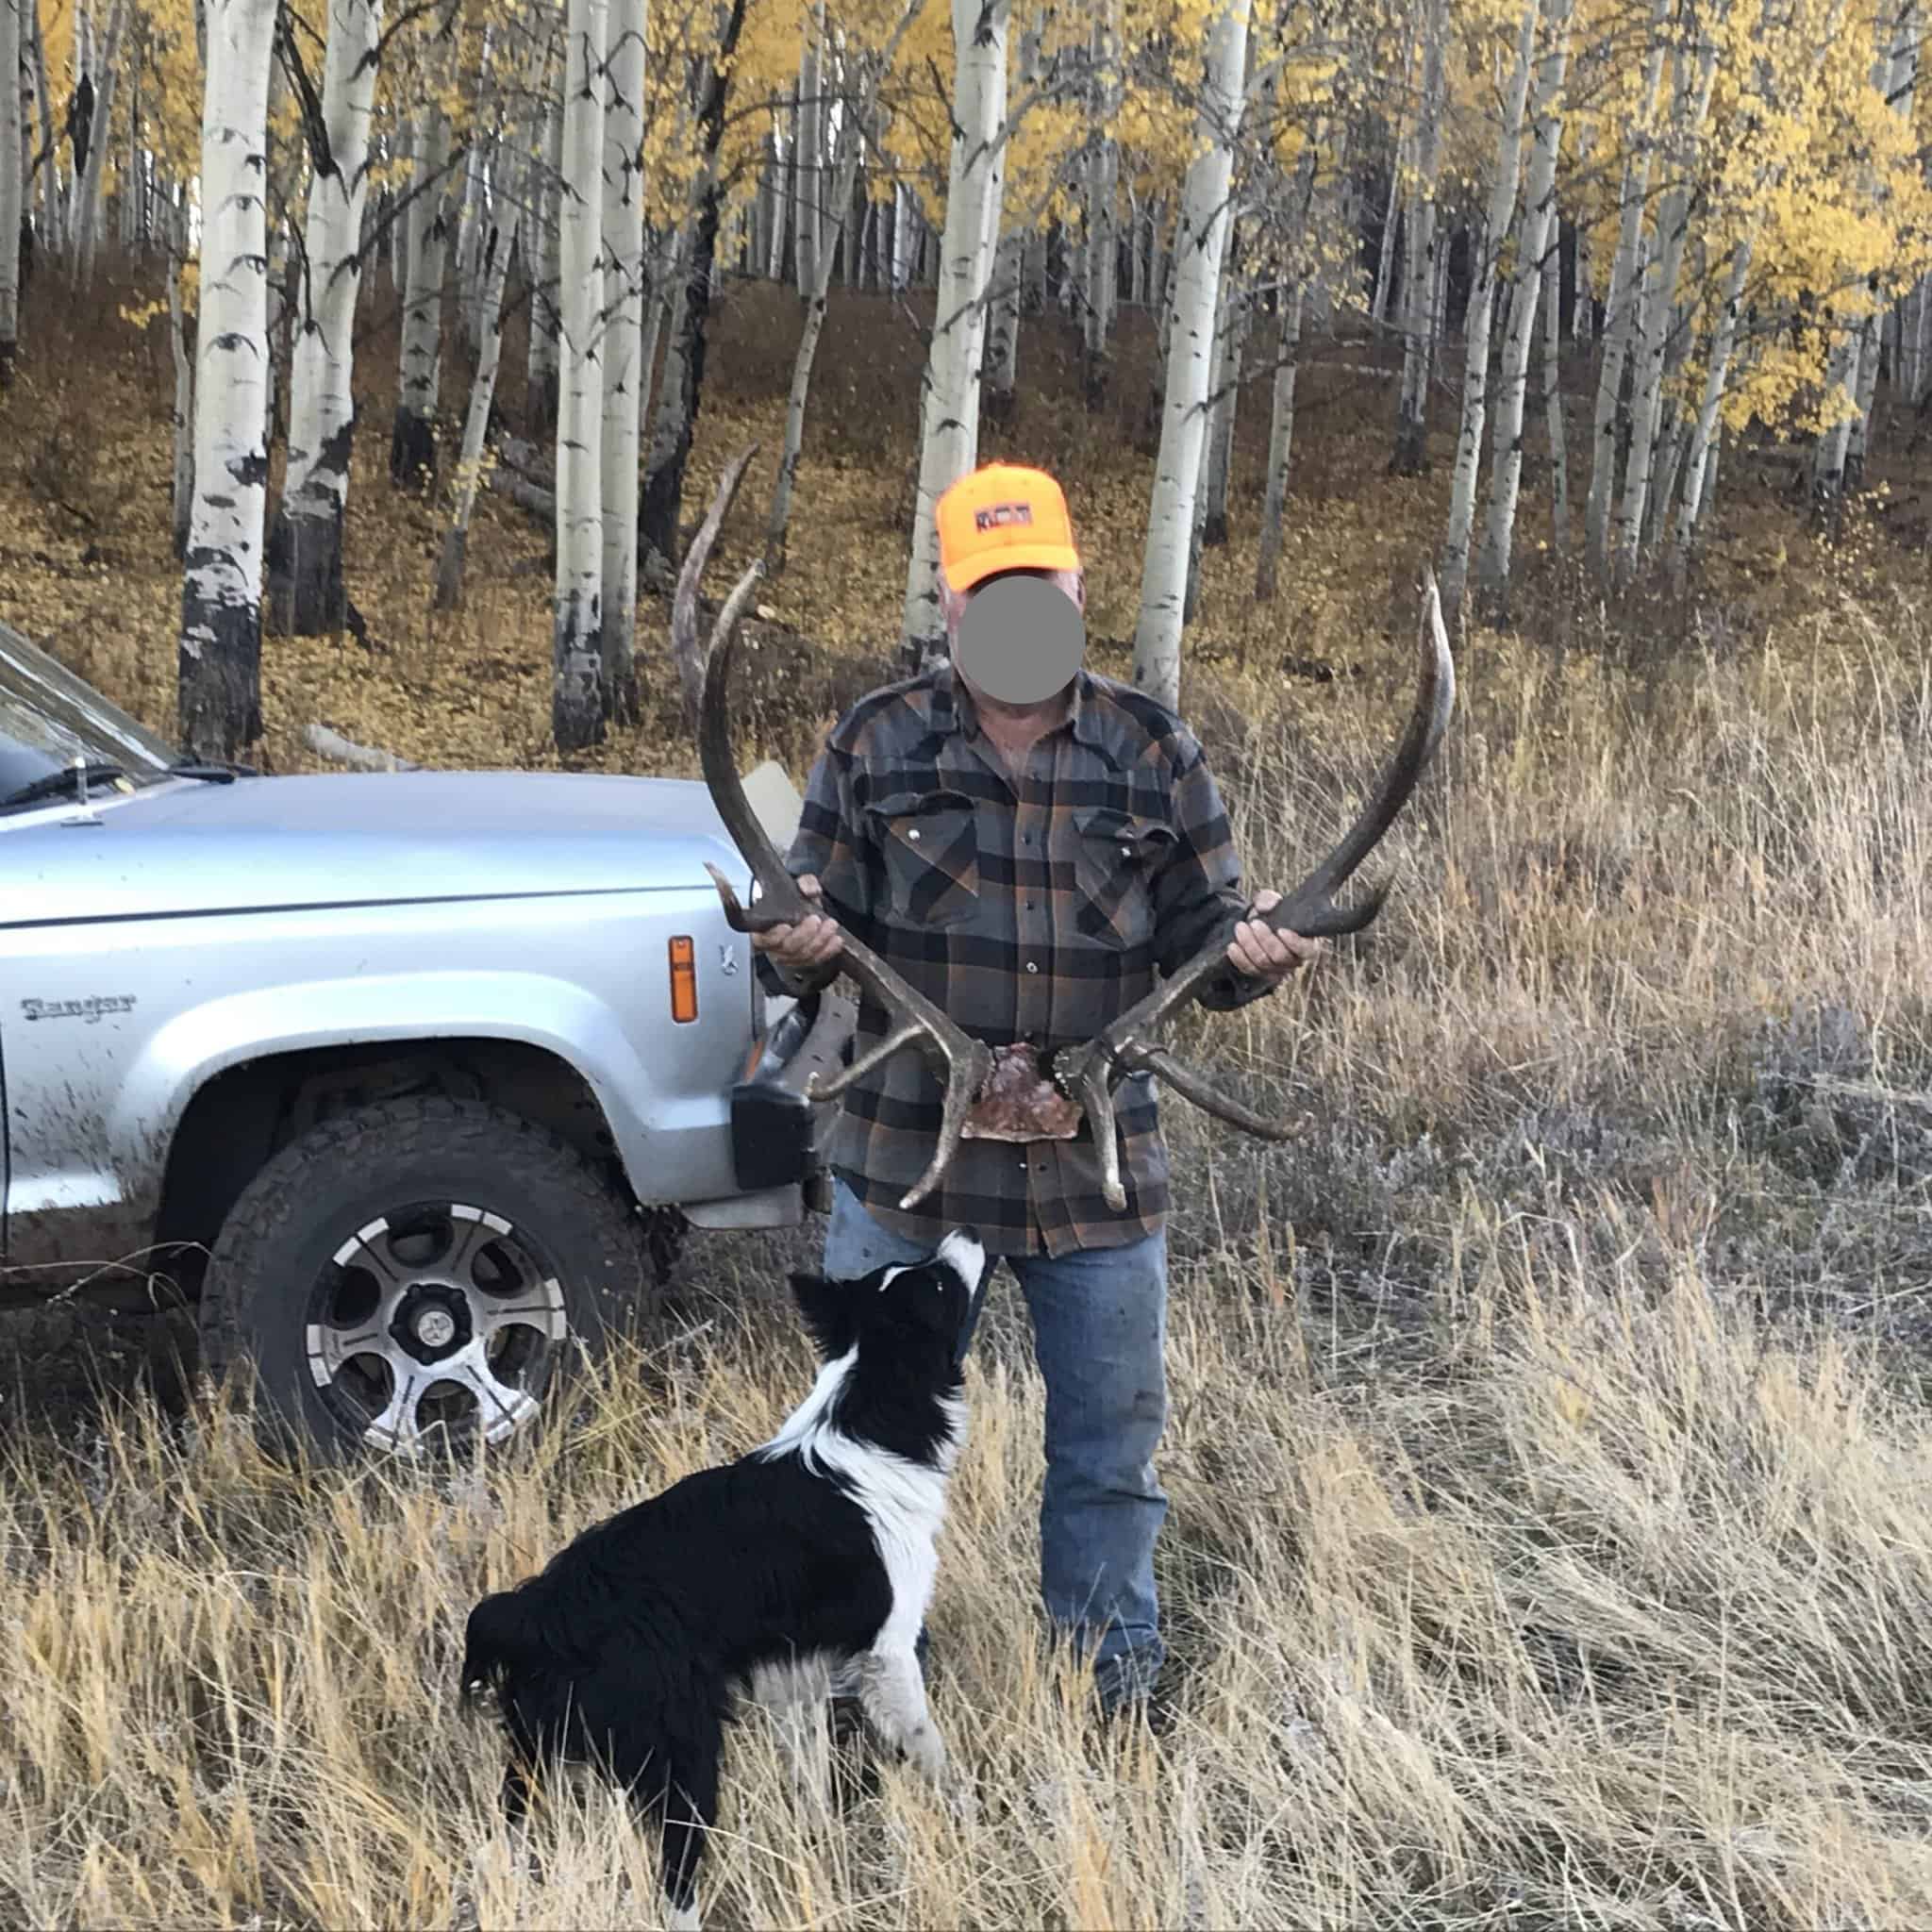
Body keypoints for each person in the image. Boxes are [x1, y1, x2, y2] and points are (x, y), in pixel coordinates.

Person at [751, 460, 1317, 1730]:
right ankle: (857, 1701)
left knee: (1109, 1459)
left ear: (1075, 587)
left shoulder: (1152, 747)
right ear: (952, 606)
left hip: (1096, 1179)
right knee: (861, 1451)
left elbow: (1205, 945)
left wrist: (1254, 956)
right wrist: (788, 940)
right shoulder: (873, 739)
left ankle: (1108, 1701)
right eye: (989, 590)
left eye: (1037, 585)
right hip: (909, 1170)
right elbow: (806, 910)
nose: (1014, 609)